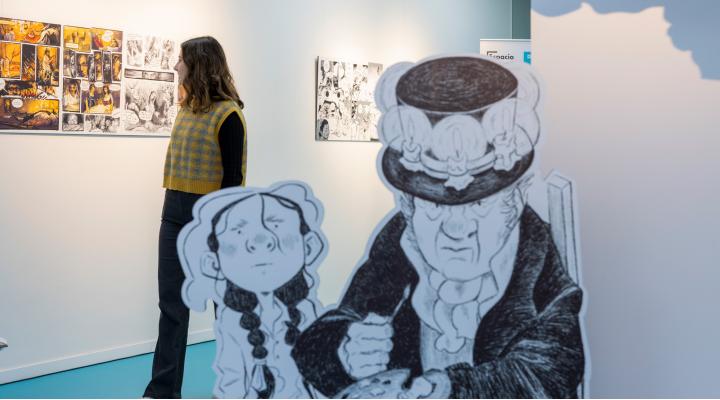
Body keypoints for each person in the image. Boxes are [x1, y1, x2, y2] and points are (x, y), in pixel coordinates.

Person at [292, 56, 585, 398]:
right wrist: (344, 349)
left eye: (479, 204)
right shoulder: (400, 243)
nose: (456, 230)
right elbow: (318, 342)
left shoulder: (537, 265)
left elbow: (545, 374)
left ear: (515, 201)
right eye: (434, 206)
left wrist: (449, 388)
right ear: (408, 206)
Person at [144, 35, 247, 399]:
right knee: (171, 307)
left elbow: (233, 179)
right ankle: (162, 392)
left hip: (212, 218)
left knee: (226, 310)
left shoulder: (229, 115)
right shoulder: (185, 108)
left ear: (199, 64)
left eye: (181, 59)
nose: (176, 66)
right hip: (173, 211)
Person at [179, 182, 327, 398]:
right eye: (239, 231)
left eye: (277, 226)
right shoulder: (232, 320)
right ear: (212, 263)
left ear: (309, 247)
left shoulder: (306, 310)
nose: (261, 241)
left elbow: (319, 374)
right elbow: (232, 382)